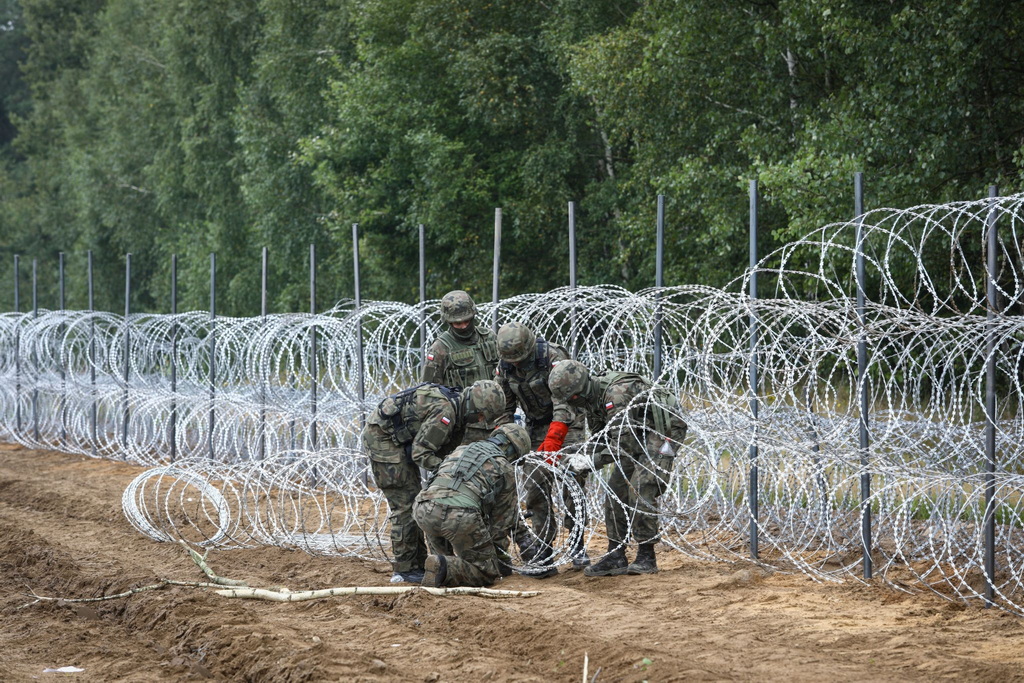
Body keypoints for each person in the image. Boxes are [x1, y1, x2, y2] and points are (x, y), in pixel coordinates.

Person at [546, 360, 687, 576]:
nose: (572, 405)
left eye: (572, 399)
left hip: (663, 432)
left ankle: (646, 555)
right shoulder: (592, 400)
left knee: (641, 486)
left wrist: (591, 461)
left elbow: (623, 446)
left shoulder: (616, 395)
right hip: (637, 434)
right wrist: (579, 459)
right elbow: (603, 438)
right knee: (615, 491)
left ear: (578, 392)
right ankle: (616, 554)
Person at [362, 379, 506, 583]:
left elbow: (446, 450)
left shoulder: (459, 410)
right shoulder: (446, 411)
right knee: (406, 503)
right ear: (474, 406)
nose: (481, 419)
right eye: (481, 414)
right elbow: (421, 453)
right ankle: (405, 568)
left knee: (420, 497)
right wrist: (448, 472)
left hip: (402, 438)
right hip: (383, 439)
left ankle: (422, 562)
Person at [494, 321, 589, 575]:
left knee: (573, 481)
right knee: (535, 486)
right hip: (535, 427)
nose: (515, 364)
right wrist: (504, 435)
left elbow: (565, 399)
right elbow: (505, 405)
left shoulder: (551, 356)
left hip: (568, 423)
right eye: (510, 360)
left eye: (519, 359)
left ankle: (577, 544)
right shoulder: (504, 364)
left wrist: (556, 435)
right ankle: (544, 550)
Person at [413, 423, 533, 587]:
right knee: (485, 572)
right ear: (514, 450)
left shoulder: (461, 449)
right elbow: (500, 524)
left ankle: (439, 565)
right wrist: (500, 559)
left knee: (441, 556)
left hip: (424, 508)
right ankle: (444, 567)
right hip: (460, 515)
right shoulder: (504, 467)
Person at [421, 290, 503, 444]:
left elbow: (506, 375)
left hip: (496, 422)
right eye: (458, 323)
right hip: (464, 430)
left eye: (467, 320)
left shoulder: (490, 338)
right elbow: (428, 393)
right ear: (448, 321)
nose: (464, 326)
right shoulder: (440, 349)